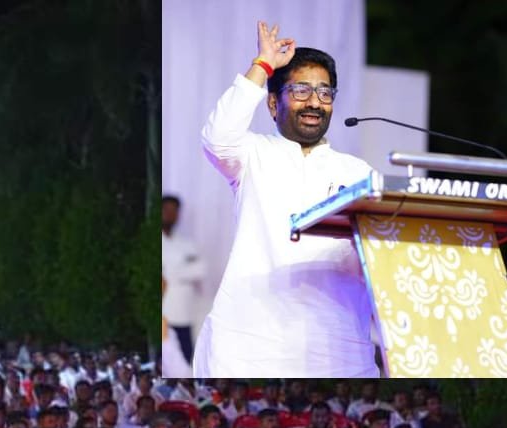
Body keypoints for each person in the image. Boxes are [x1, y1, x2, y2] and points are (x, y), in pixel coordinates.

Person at [195, 24, 374, 377]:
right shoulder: (253, 153)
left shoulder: (358, 172)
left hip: (338, 347)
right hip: (249, 342)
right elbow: (217, 138)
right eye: (302, 90)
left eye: (325, 93)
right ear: (274, 102)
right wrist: (263, 64)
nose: (314, 102)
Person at [160, 194, 205, 362]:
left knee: (186, 358)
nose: (170, 214)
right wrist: (183, 269)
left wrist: (171, 272)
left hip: (183, 310)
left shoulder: (186, 243)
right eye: (166, 210)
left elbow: (200, 270)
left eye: (174, 211)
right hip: (163, 312)